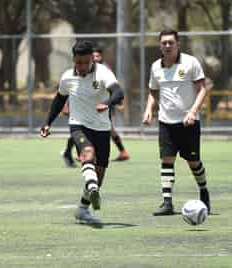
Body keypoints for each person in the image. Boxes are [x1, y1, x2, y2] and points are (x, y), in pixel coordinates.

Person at [40, 40, 124, 224]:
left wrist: (107, 103)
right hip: (79, 125)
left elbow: (118, 92)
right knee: (87, 153)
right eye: (79, 63)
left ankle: (82, 209)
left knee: (99, 174)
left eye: (86, 62)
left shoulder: (102, 72)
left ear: (92, 60)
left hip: (102, 128)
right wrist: (48, 123)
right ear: (74, 60)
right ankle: (92, 187)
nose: (83, 66)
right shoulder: (67, 78)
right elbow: (59, 100)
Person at [143, 28, 211, 216]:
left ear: (177, 44)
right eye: (163, 43)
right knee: (167, 160)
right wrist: (149, 109)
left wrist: (192, 111)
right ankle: (167, 202)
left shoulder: (191, 62)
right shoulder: (156, 66)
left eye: (170, 42)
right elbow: (153, 91)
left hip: (188, 123)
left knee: (193, 161)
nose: (167, 46)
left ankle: (204, 191)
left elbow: (203, 89)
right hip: (166, 122)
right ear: (160, 45)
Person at [93, 48, 130, 161]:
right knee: (108, 128)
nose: (95, 59)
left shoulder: (104, 69)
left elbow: (115, 88)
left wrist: (118, 103)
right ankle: (123, 151)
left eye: (97, 56)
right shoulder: (91, 69)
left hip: (105, 104)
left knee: (100, 128)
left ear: (101, 57)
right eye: (93, 56)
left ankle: (90, 153)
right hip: (98, 104)